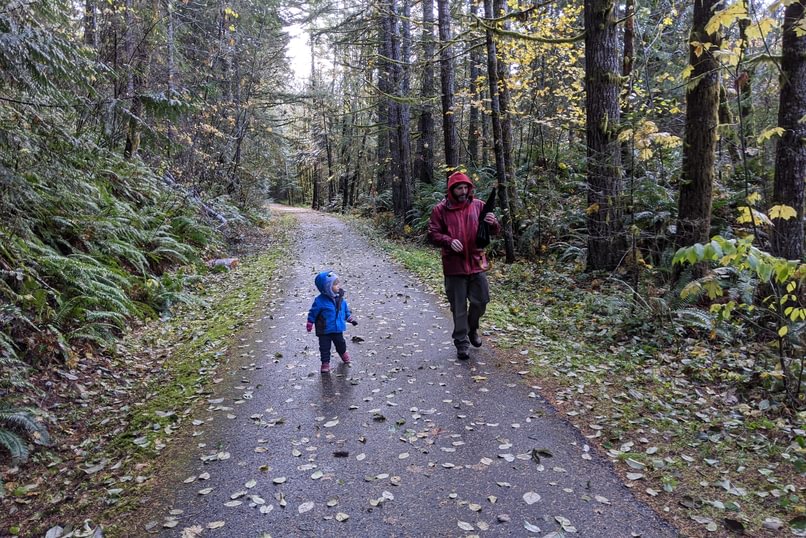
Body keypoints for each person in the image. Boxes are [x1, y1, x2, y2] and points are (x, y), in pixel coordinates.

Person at [428, 171, 500, 360]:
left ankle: (472, 328)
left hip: (476, 263)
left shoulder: (479, 206)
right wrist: (448, 240)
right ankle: (461, 343)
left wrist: (494, 224)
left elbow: (492, 231)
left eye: (466, 187)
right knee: (458, 308)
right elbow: (432, 234)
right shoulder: (440, 210)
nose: (463, 191)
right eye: (459, 188)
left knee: (481, 301)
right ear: (451, 190)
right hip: (454, 267)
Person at [306, 270, 357, 373]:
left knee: (340, 343)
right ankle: (325, 363)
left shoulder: (341, 299)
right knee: (324, 348)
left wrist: (350, 319)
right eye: (335, 284)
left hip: (337, 328)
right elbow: (313, 312)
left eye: (338, 283)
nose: (338, 286)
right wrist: (310, 322)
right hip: (324, 329)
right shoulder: (319, 301)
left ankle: (343, 354)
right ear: (327, 287)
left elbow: (345, 311)